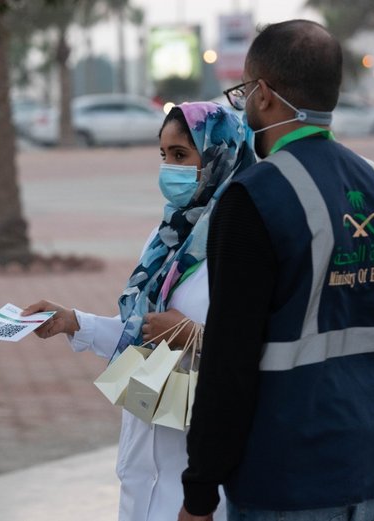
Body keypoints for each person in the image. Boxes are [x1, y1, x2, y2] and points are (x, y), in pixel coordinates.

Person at [179, 20, 374, 521]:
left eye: (243, 91)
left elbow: (229, 361)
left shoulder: (253, 198)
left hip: (287, 475)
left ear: (263, 95)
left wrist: (199, 492)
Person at [23, 101, 255, 521]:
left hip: (201, 488)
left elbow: (257, 350)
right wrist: (74, 321)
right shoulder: (167, 238)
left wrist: (195, 336)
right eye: (164, 156)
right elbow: (145, 334)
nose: (169, 169)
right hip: (142, 475)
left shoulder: (241, 242)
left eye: (182, 155)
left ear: (220, 154)